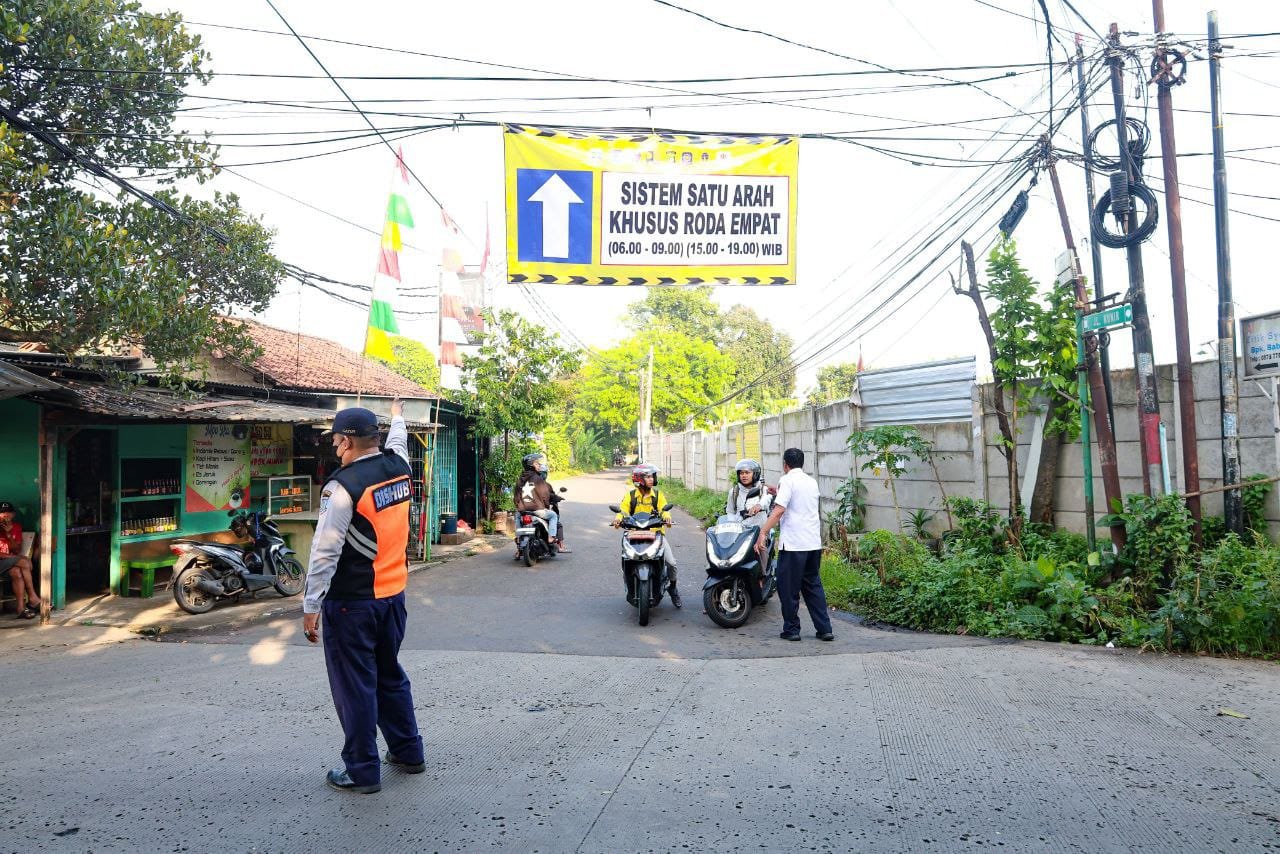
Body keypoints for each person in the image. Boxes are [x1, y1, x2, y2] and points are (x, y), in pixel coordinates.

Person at [302, 399, 424, 794]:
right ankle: (408, 752)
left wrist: (311, 604)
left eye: (336, 441)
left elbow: (325, 551)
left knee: (355, 687)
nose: (335, 448)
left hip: (352, 603)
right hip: (394, 596)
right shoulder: (400, 467)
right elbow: (400, 441)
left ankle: (362, 770)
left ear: (346, 441)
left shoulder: (342, 487)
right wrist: (398, 417)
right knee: (390, 676)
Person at [754, 448, 834, 642]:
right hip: (812, 543)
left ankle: (791, 630)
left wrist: (763, 532)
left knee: (788, 588)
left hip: (794, 545)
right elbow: (798, 500)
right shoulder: (811, 481)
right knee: (813, 585)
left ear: (785, 464)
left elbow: (779, 510)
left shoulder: (787, 480)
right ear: (802, 463)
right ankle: (825, 629)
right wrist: (777, 491)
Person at [612, 463, 681, 608]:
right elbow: (623, 510)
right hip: (634, 534)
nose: (652, 479)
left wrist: (667, 517)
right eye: (648, 477)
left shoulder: (658, 495)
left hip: (655, 534)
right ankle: (629, 581)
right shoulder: (631, 496)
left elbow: (664, 509)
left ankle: (673, 588)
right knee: (627, 558)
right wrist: (618, 519)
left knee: (671, 563)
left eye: (652, 477)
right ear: (639, 479)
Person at [513, 453, 569, 554]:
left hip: (523, 511)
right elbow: (545, 495)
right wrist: (545, 506)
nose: (539, 465)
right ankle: (551, 537)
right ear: (531, 465)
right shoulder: (537, 479)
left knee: (517, 516)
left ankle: (518, 538)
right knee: (553, 515)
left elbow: (516, 496)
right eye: (536, 463)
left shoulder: (520, 479)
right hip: (536, 510)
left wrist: (519, 506)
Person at [0, 501, 41, 619]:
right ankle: (33, 598)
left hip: (9, 565)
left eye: (8, 512)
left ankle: (20, 608)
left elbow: (17, 550)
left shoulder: (16, 527)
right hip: (4, 561)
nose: (5, 515)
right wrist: (15, 558)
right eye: (2, 513)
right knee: (24, 561)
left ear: (13, 514)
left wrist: (8, 534)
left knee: (16, 572)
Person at [726, 459, 772, 526]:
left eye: (747, 472)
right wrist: (733, 525)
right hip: (742, 530)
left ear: (755, 474)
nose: (744, 475)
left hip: (761, 530)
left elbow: (767, 500)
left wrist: (759, 506)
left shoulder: (763, 489)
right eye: (741, 473)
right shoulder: (734, 492)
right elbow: (730, 512)